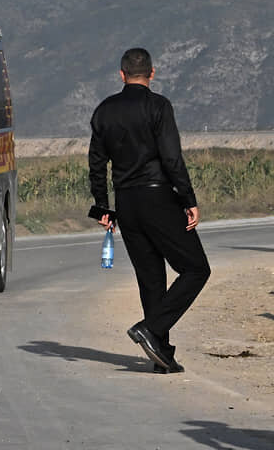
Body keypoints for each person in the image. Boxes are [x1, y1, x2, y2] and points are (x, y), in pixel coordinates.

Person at [88, 47, 211, 374]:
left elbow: (97, 164)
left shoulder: (104, 111)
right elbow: (172, 159)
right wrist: (188, 199)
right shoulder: (158, 106)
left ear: (122, 73)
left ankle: (162, 354)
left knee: (151, 279)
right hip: (158, 197)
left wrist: (102, 206)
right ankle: (152, 328)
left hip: (126, 203)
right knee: (197, 269)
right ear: (152, 73)